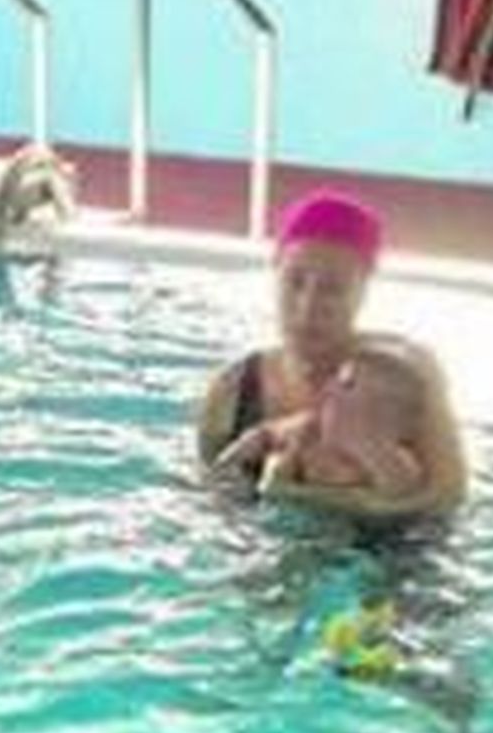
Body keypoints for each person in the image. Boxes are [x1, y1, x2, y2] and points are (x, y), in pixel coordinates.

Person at [197, 189, 466, 518]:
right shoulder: (232, 390)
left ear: (363, 290)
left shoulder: (404, 373)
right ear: (275, 273)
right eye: (295, 282)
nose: (308, 307)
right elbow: (207, 498)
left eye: (333, 289)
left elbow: (446, 498)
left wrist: (300, 497)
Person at [223, 342, 429, 508]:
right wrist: (230, 462)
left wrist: (370, 449)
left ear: (383, 421)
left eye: (346, 384)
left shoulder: (395, 462)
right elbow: (264, 434)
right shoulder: (309, 430)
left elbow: (399, 495)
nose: (329, 387)